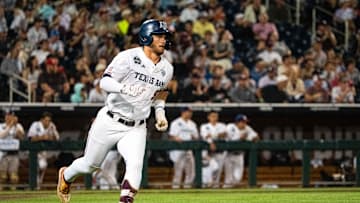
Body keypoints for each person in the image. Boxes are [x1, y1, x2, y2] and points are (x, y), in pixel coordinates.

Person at [57, 19, 173, 203]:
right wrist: (123, 88)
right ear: (146, 37)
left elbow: (161, 93)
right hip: (111, 119)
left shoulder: (167, 68)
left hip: (136, 126)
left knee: (135, 165)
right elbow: (104, 81)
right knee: (90, 165)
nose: (163, 40)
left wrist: (160, 113)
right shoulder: (127, 57)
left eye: (165, 36)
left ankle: (125, 200)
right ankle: (66, 175)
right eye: (159, 36)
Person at [223, 114, 259, 188]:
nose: (244, 124)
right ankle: (226, 192)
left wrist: (254, 137)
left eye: (245, 122)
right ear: (237, 122)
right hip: (229, 154)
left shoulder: (247, 128)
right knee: (228, 178)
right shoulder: (230, 127)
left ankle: (230, 188)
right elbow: (230, 140)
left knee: (238, 178)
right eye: (242, 122)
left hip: (239, 155)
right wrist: (240, 137)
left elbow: (255, 136)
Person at [27, 111, 60, 187]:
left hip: (43, 152)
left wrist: (50, 137)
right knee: (35, 168)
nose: (47, 122)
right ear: (41, 120)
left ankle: (38, 183)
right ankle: (34, 185)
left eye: (49, 120)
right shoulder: (35, 125)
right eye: (46, 120)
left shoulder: (51, 125)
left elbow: (57, 138)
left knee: (43, 166)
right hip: (34, 152)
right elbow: (30, 138)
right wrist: (42, 137)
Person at [168, 107, 198, 189]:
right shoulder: (176, 122)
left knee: (191, 172)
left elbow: (196, 137)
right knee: (178, 171)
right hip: (178, 149)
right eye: (188, 112)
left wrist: (194, 137)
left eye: (190, 112)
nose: (190, 113)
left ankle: (187, 188)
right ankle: (175, 188)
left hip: (188, 150)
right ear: (183, 112)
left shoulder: (192, 124)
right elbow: (171, 136)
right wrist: (176, 138)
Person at [200, 111, 227, 188]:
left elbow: (224, 134)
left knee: (218, 170)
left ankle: (214, 187)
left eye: (215, 116)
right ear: (208, 117)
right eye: (212, 116)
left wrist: (212, 135)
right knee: (212, 168)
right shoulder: (204, 126)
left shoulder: (222, 125)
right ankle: (206, 184)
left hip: (220, 152)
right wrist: (212, 141)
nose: (214, 118)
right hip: (208, 153)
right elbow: (205, 136)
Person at [0, 111, 25, 190]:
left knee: (14, 177)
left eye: (11, 116)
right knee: (2, 177)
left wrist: (15, 125)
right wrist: (10, 126)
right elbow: (1, 136)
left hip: (14, 154)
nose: (9, 117)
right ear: (5, 117)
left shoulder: (18, 126)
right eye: (8, 115)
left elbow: (21, 137)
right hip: (3, 153)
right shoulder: (1, 126)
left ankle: (13, 194)